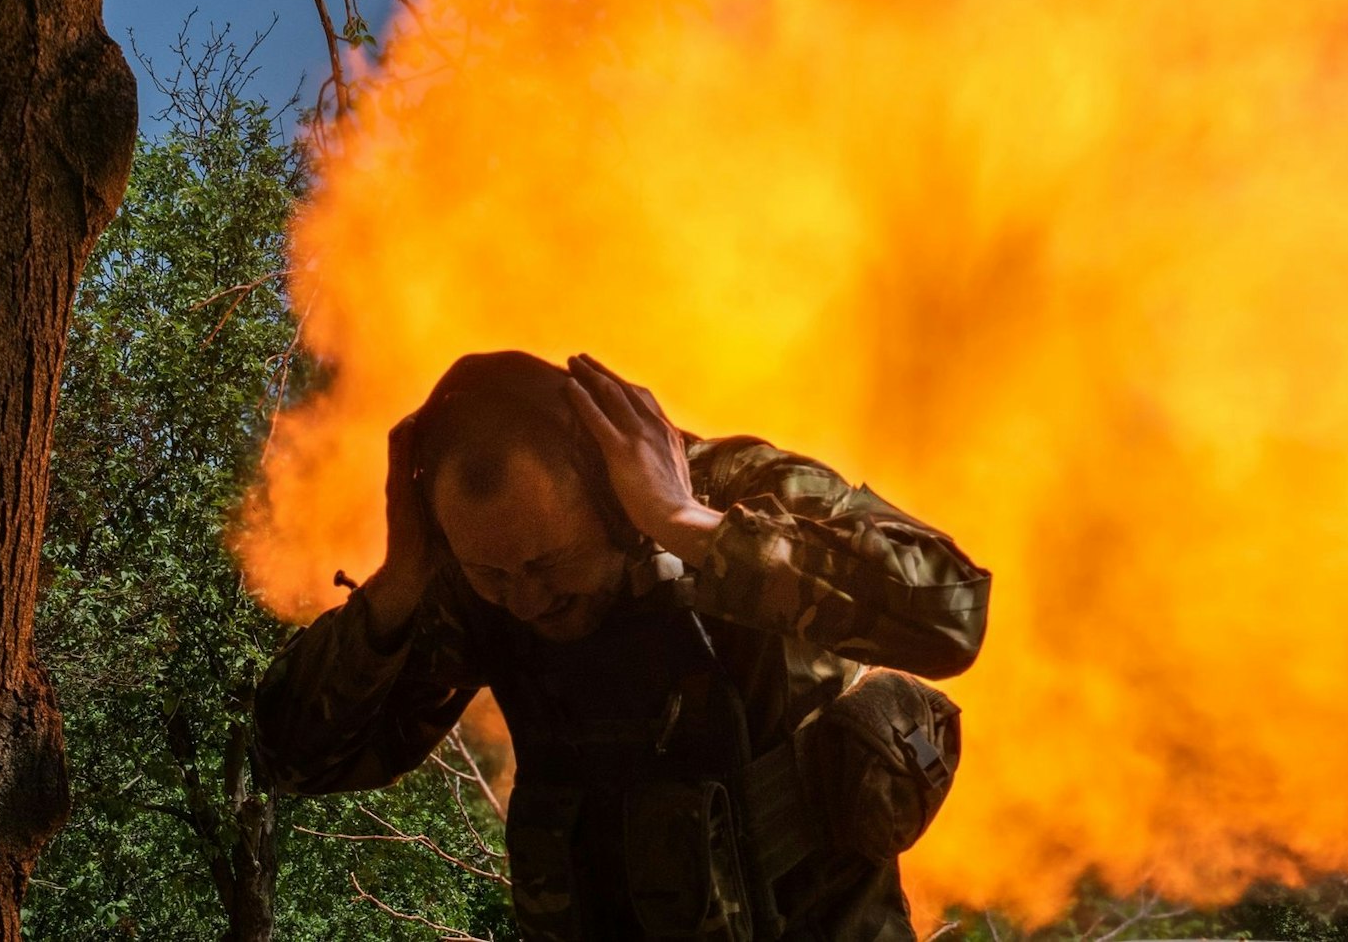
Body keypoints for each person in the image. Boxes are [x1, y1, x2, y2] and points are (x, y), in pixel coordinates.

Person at [254, 350, 990, 942]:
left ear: (609, 490)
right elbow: (293, 754)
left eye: (548, 563)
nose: (529, 598)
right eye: (494, 573)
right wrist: (398, 584)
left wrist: (687, 524)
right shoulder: (482, 591)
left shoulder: (723, 490)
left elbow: (953, 612)